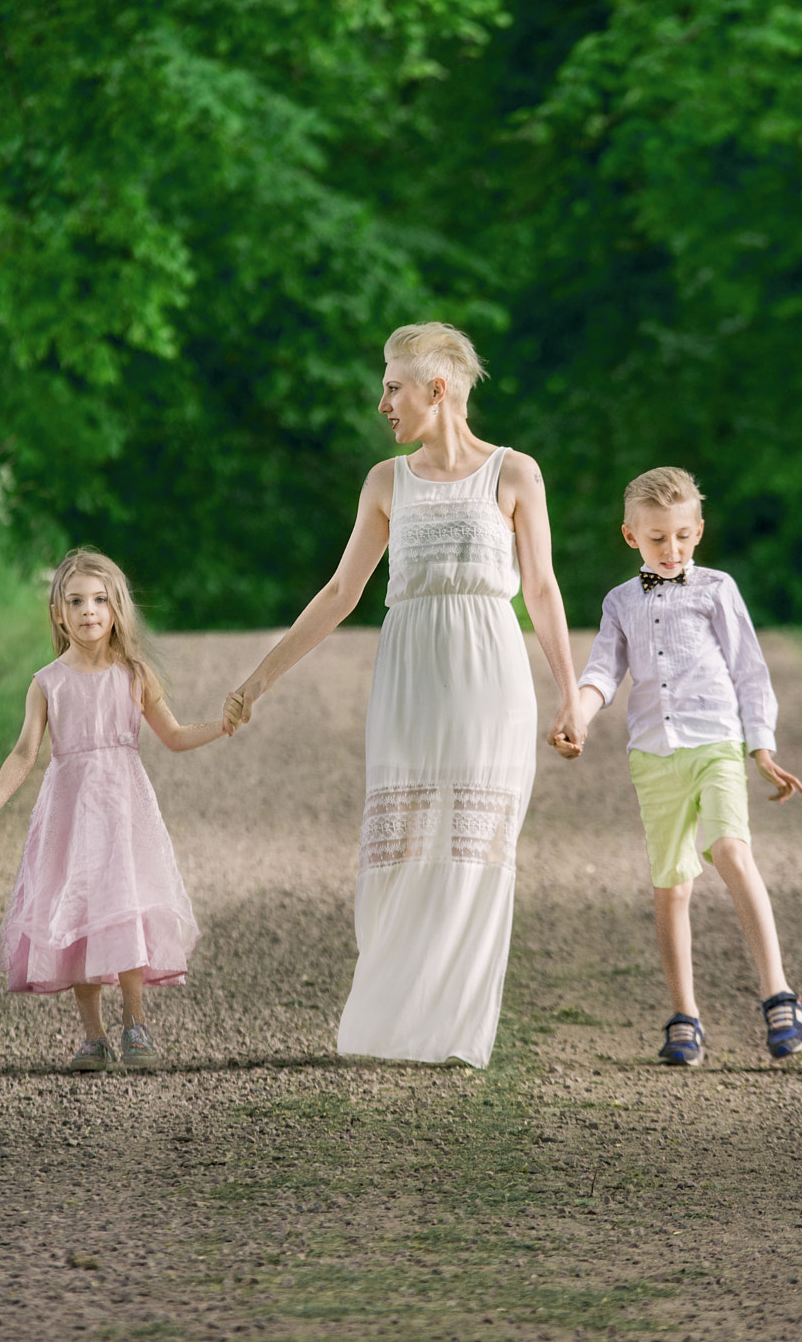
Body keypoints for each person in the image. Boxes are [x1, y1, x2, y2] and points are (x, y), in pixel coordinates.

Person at [222, 322, 580, 1069]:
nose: (382, 401)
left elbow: (542, 590)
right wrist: (259, 678)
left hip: (491, 680)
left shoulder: (516, 474)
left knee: (477, 850)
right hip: (411, 679)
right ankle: (390, 1022)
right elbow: (341, 590)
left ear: (437, 389)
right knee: (405, 845)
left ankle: (453, 1031)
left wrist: (569, 695)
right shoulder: (387, 482)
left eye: (392, 385)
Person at [572, 467, 802, 1066]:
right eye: (657, 538)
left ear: (699, 531)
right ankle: (685, 1017)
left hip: (716, 744)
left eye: (682, 536)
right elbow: (603, 670)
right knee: (672, 886)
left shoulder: (717, 590)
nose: (671, 549)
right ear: (631, 537)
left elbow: (749, 669)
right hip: (654, 757)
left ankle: (779, 995)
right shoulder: (620, 603)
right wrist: (576, 715)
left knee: (731, 851)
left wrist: (762, 747)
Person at [0, 549, 225, 1071]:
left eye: (100, 600)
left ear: (117, 609)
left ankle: (135, 1025)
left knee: (124, 907)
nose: (89, 610)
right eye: (76, 601)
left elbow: (175, 736)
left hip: (122, 813)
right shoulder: (47, 683)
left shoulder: (134, 674)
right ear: (57, 614)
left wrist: (221, 726)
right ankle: (94, 1036)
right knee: (81, 917)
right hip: (70, 815)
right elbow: (25, 752)